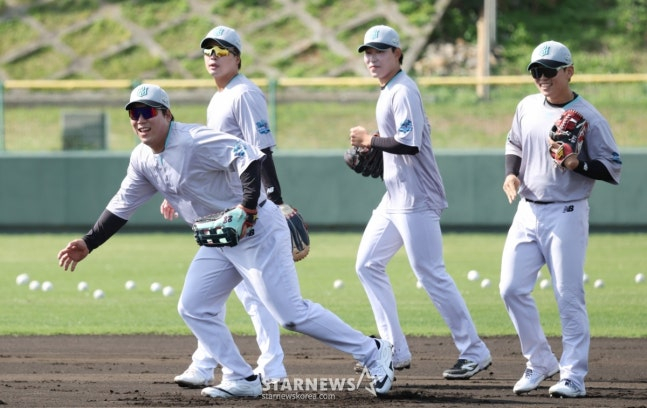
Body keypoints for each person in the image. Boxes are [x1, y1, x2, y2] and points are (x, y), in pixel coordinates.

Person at [57, 83, 395, 399]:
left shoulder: (192, 140)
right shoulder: (142, 158)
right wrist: (89, 242)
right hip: (219, 237)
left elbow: (248, 155)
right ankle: (240, 377)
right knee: (194, 306)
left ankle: (372, 351)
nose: (141, 120)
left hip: (257, 230)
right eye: (134, 113)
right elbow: (122, 205)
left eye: (149, 111)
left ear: (167, 114)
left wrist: (248, 207)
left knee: (290, 315)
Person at [349, 25, 491, 380]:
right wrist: (375, 143)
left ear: (398, 54)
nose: (372, 58)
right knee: (367, 264)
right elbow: (398, 141)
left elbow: (409, 144)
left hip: (417, 196)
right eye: (368, 52)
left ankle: (474, 351)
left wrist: (370, 140)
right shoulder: (389, 90)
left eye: (380, 51)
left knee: (430, 273)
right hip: (395, 196)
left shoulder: (403, 90)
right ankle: (394, 350)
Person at [159, 25, 288, 389]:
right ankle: (211, 364)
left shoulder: (244, 94)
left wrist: (275, 200)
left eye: (221, 50)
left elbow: (261, 151)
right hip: (224, 207)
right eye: (208, 51)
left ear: (238, 57)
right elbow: (210, 158)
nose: (213, 56)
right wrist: (178, 192)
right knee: (220, 294)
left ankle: (268, 366)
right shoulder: (219, 97)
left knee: (252, 294)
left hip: (245, 208)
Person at [500, 40, 622, 398]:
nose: (542, 77)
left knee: (568, 295)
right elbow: (514, 144)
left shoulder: (589, 116)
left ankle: (573, 376)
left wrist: (577, 164)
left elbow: (613, 167)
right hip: (527, 210)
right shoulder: (526, 106)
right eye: (536, 71)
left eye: (549, 71)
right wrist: (511, 174)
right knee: (510, 288)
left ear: (569, 72)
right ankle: (540, 361)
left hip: (567, 212)